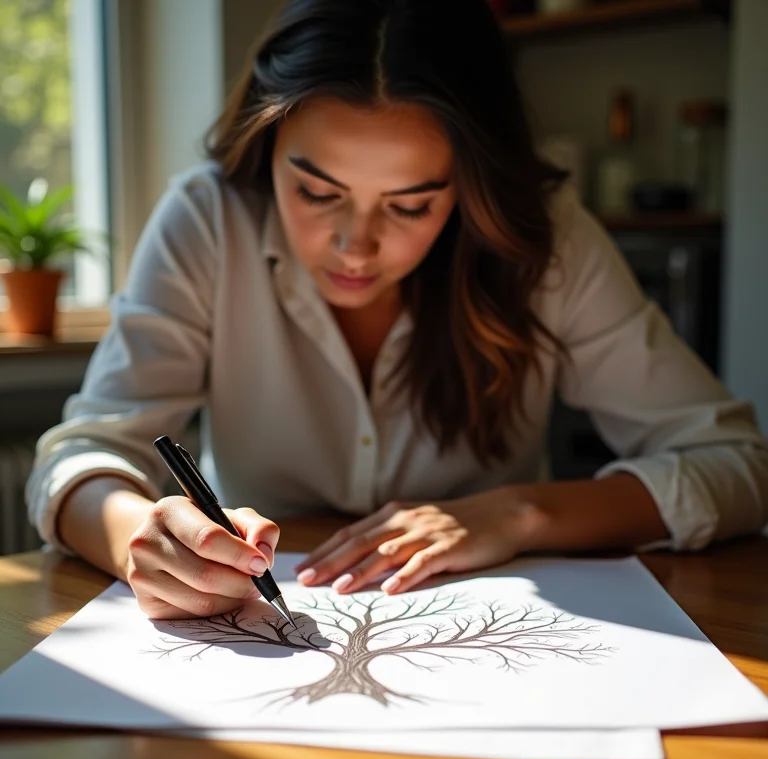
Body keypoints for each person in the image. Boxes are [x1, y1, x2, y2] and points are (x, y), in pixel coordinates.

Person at [27, 0, 768, 620]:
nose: (356, 246)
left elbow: (737, 464)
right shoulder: (208, 219)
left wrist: (520, 514)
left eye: (412, 205)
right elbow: (81, 453)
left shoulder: (545, 237)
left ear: (472, 185)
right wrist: (139, 538)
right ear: (266, 143)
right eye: (317, 193)